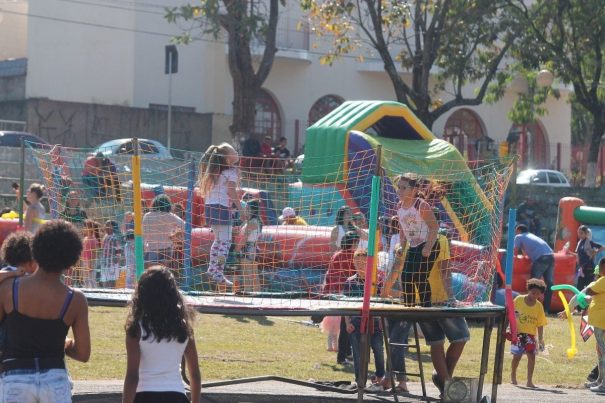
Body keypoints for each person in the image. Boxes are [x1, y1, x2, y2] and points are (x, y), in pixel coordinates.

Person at [0, 220, 90, 402]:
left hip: (15, 378)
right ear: (71, 259)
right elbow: (83, 353)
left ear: (36, 249)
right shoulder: (76, 299)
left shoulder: (9, 289)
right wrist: (65, 343)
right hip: (55, 380)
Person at [123, 266, 201, 403]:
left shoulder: (136, 329)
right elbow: (194, 375)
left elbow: (132, 376)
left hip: (144, 396)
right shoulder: (183, 327)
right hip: (176, 395)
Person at [197, 142, 242, 286]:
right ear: (228, 158)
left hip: (210, 206)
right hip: (221, 207)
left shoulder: (216, 171)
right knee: (226, 241)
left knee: (218, 240)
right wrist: (241, 210)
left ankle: (212, 269)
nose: (237, 153)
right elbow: (231, 191)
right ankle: (218, 271)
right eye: (234, 151)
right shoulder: (231, 172)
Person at [344, 248, 386, 390]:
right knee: (357, 352)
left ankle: (380, 376)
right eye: (357, 262)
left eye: (363, 262)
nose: (360, 265)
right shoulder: (350, 282)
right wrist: (347, 322)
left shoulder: (376, 281)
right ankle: (359, 379)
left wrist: (381, 321)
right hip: (356, 320)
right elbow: (345, 305)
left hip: (374, 320)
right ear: (354, 263)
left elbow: (382, 302)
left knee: (378, 349)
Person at [395, 173, 439, 307]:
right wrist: (401, 246)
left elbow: (434, 227)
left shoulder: (421, 205)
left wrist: (428, 247)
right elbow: (403, 230)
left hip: (429, 244)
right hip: (414, 246)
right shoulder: (399, 207)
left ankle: (426, 308)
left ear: (414, 190)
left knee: (420, 278)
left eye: (404, 188)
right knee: (406, 277)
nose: (399, 191)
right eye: (398, 187)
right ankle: (409, 307)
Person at [323, 231, 359, 366]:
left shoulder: (336, 255)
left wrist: (328, 291)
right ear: (353, 242)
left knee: (345, 325)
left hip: (338, 293)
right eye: (356, 242)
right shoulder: (351, 256)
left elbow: (329, 275)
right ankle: (342, 356)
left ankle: (347, 353)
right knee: (346, 326)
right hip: (347, 295)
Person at [510, 278, 547, 388]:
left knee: (532, 356)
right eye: (533, 293)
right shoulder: (519, 300)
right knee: (517, 356)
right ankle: (513, 375)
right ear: (528, 290)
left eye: (538, 294)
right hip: (518, 333)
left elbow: (540, 324)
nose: (535, 295)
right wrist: (510, 328)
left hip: (530, 335)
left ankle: (529, 381)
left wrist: (540, 339)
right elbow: (510, 314)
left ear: (541, 294)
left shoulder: (539, 306)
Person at [514, 224, 554, 313]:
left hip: (541, 258)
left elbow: (515, 252)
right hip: (551, 256)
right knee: (549, 284)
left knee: (533, 284)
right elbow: (526, 251)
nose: (515, 233)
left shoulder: (518, 236)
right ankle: (546, 309)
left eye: (516, 231)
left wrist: (514, 258)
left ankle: (530, 307)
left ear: (518, 231)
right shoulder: (530, 236)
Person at [142, 194, 185, 269]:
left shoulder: (147, 216)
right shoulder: (170, 216)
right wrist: (175, 234)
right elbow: (185, 226)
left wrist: (145, 246)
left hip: (153, 248)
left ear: (154, 203)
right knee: (164, 272)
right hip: (167, 250)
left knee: (152, 273)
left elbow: (144, 234)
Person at [582, 257, 605, 392]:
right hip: (601, 321)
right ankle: (599, 380)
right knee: (601, 351)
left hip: (601, 321)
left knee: (603, 352)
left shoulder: (603, 280)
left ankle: (603, 384)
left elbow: (589, 291)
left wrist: (589, 287)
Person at [237, 199, 262, 292]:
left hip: (248, 247)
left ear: (253, 210)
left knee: (247, 274)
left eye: (247, 208)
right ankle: (257, 294)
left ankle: (248, 293)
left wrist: (235, 250)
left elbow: (244, 238)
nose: (245, 210)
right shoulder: (254, 221)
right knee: (254, 275)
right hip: (253, 248)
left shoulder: (252, 222)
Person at [574, 225, 605, 291]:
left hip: (589, 269)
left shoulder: (589, 242)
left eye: (581, 233)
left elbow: (602, 247)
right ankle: (579, 300)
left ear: (586, 234)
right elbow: (578, 254)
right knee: (579, 287)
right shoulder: (579, 243)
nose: (579, 235)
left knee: (589, 288)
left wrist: (596, 252)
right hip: (582, 269)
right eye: (578, 233)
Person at [100, 220, 123, 288]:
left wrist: (115, 263)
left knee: (111, 282)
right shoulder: (105, 237)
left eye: (108, 225)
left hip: (111, 265)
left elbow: (118, 251)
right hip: (104, 264)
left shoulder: (115, 238)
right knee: (105, 282)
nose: (106, 227)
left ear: (112, 227)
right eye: (105, 225)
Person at [81, 219, 102, 288]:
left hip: (91, 262)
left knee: (91, 279)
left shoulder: (93, 240)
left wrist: (91, 264)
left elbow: (94, 253)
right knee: (86, 279)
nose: (83, 228)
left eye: (85, 227)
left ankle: (94, 294)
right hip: (85, 261)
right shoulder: (85, 238)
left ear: (90, 229)